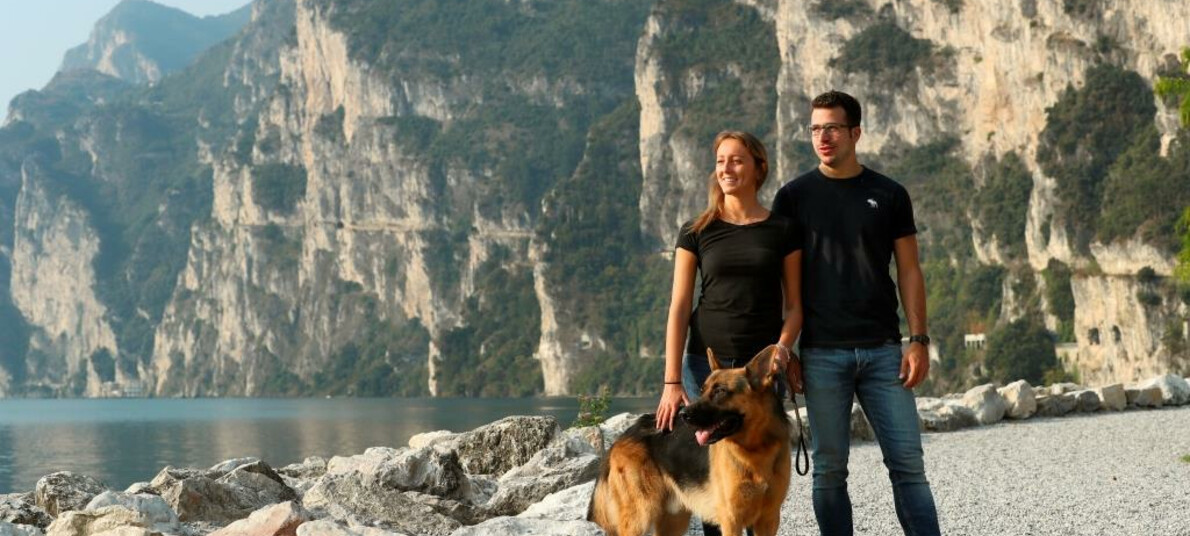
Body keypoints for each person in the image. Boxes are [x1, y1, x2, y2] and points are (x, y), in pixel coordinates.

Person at [771, 90, 941, 536]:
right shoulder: (792, 198)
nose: (822, 137)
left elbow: (909, 270)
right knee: (828, 471)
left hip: (885, 351)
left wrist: (918, 340)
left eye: (832, 128)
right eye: (814, 129)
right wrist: (787, 351)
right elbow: (783, 284)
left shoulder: (889, 194)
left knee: (908, 464)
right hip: (822, 353)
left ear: (855, 132)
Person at [654, 130, 803, 536]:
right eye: (720, 161)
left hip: (760, 375)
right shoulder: (697, 230)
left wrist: (783, 351)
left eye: (736, 160)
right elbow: (680, 307)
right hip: (706, 368)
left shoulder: (783, 230)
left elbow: (794, 307)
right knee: (719, 495)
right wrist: (671, 381)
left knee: (766, 479)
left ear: (759, 167)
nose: (726, 168)